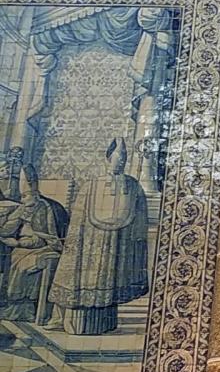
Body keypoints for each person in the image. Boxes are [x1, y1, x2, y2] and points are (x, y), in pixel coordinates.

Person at [49, 137, 148, 335]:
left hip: (117, 242)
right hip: (90, 242)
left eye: (123, 159)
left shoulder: (133, 186)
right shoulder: (91, 185)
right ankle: (69, 321)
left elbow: (140, 218)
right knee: (82, 277)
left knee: (109, 283)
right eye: (116, 158)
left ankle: (104, 323)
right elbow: (78, 219)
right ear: (108, 158)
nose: (119, 163)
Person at [0, 165, 67, 324]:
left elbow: (42, 238)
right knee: (14, 259)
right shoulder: (24, 207)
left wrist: (18, 242)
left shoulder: (43, 207)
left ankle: (26, 310)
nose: (23, 200)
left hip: (41, 248)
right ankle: (15, 307)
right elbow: (8, 229)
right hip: (24, 247)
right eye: (22, 196)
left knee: (21, 265)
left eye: (25, 196)